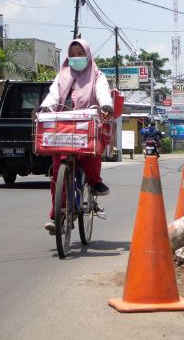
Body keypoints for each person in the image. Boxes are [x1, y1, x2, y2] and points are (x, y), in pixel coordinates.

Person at [39, 38, 113, 234]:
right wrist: (45, 107)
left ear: (87, 55)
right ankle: (58, 216)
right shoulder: (61, 76)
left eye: (80, 54)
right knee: (57, 172)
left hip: (86, 125)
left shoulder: (97, 75)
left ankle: (94, 182)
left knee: (90, 155)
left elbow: (102, 91)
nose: (76, 58)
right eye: (72, 55)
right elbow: (53, 95)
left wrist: (106, 105)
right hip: (63, 127)